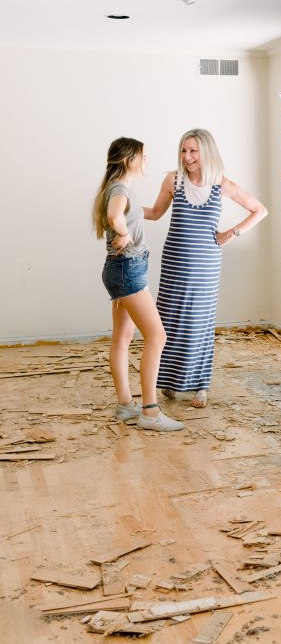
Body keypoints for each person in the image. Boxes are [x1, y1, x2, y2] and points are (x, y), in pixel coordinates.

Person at [145, 129, 267, 407]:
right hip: (174, 263)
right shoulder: (173, 180)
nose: (187, 157)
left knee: (200, 323)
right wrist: (125, 206)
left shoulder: (221, 185)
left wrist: (232, 233)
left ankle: (200, 386)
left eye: (193, 151)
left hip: (206, 266)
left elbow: (260, 210)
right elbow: (154, 213)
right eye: (183, 151)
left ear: (206, 152)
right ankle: (168, 381)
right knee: (170, 320)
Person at [92, 137, 184, 432]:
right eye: (143, 157)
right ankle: (150, 412)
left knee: (123, 336)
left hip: (120, 270)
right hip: (128, 270)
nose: (147, 161)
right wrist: (123, 233)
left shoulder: (119, 189)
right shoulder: (120, 189)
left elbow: (152, 213)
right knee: (157, 336)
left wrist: (172, 187)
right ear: (130, 159)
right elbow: (113, 216)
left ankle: (125, 406)